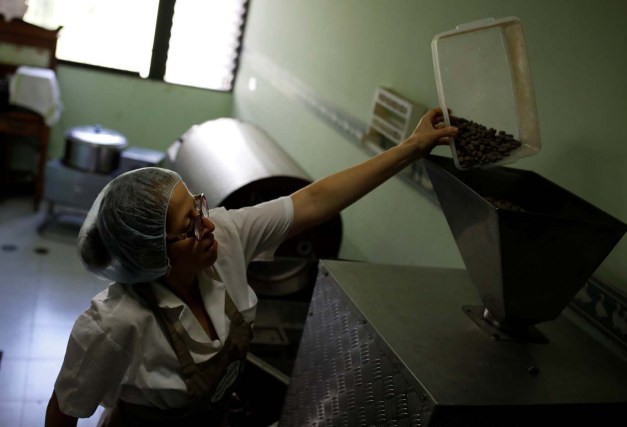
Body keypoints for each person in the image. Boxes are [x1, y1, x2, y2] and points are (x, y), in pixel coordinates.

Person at [44, 108, 457, 427]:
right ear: (152, 254)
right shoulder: (114, 325)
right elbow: (65, 411)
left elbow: (313, 201)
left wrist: (412, 148)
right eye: (188, 227)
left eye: (198, 207)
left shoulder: (224, 236)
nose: (207, 225)